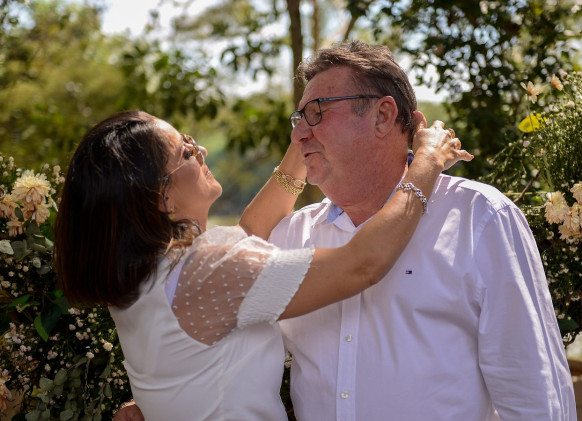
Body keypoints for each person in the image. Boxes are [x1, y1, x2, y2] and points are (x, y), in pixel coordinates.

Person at [54, 108, 470, 420]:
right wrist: (427, 161)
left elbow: (248, 235)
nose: (200, 150)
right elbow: (362, 263)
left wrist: (299, 151)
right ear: (161, 197)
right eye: (186, 151)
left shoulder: (143, 275)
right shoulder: (208, 270)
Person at [268, 40, 576, 420]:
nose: (298, 135)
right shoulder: (290, 237)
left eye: (317, 112)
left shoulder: (479, 218)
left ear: (383, 115)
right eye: (298, 119)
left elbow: (534, 393)